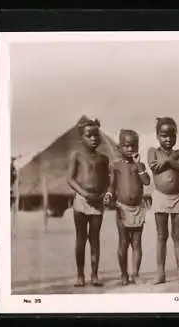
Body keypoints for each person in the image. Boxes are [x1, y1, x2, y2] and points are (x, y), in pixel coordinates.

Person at [67, 116, 111, 287]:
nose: (93, 138)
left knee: (95, 238)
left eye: (96, 135)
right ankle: (80, 275)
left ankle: (94, 274)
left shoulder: (104, 158)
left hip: (98, 202)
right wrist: (85, 193)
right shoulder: (76, 155)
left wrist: (104, 194)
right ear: (81, 137)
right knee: (80, 238)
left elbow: (107, 180)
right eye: (89, 135)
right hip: (81, 200)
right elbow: (70, 179)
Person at [147, 117, 179, 285]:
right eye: (164, 135)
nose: (168, 139)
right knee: (161, 236)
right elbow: (154, 166)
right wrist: (173, 162)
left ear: (176, 136)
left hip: (178, 197)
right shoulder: (153, 151)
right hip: (160, 197)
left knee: (178, 236)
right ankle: (160, 272)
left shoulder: (178, 153)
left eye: (172, 135)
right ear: (157, 135)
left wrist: (169, 161)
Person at [104, 129, 151, 286]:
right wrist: (109, 195)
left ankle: (135, 273)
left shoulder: (140, 166)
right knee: (123, 242)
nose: (130, 149)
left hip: (138, 208)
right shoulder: (116, 166)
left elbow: (146, 181)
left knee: (137, 243)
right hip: (122, 208)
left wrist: (139, 165)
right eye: (126, 146)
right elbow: (112, 186)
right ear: (119, 148)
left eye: (133, 146)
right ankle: (124, 274)